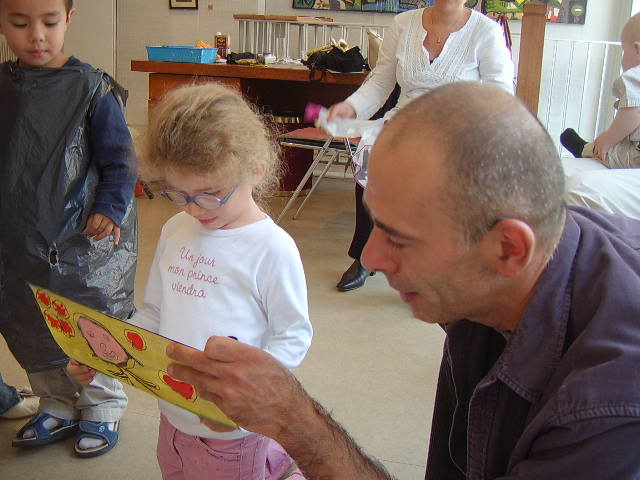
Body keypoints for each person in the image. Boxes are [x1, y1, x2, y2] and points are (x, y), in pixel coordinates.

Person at [165, 83, 640, 479]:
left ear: (508, 249)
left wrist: (296, 421)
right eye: (376, 223)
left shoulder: (605, 411)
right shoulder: (526, 248)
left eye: (400, 238)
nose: (371, 258)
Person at [69, 83, 312, 480]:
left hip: (232, 425)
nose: (195, 209)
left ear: (255, 169)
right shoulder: (176, 228)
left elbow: (293, 335)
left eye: (210, 193)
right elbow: (155, 312)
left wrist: (247, 399)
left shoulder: (272, 248)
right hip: (174, 410)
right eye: (179, 194)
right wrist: (105, 353)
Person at [0, 0, 137, 457]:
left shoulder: (91, 87)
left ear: (69, 20)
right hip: (19, 234)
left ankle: (102, 406)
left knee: (87, 322)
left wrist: (110, 208)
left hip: (81, 237)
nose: (36, 35)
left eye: (49, 22)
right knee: (29, 320)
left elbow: (120, 159)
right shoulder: (5, 86)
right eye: (20, 23)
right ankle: (55, 403)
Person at [328, 0, 514, 291]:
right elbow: (380, 82)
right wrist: (350, 108)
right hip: (404, 119)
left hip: (458, 126)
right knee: (373, 153)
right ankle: (365, 256)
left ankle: (435, 264)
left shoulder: (486, 31)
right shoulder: (403, 24)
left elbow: (500, 94)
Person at [559, 12, 640, 221]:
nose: (623, 59)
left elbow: (632, 113)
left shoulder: (636, 76)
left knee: (608, 152)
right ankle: (589, 148)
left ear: (637, 50)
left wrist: (608, 139)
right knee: (547, 174)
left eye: (624, 52)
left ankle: (588, 149)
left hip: (633, 155)